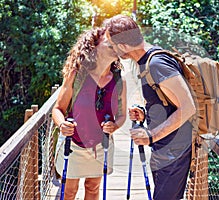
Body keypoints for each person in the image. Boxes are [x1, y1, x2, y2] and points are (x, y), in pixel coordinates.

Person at [105, 15, 196, 200]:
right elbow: (168, 102)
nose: (110, 49)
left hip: (174, 152)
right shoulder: (144, 63)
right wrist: (144, 112)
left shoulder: (157, 63)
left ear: (122, 46)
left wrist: (151, 135)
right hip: (163, 150)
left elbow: (188, 107)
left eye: (111, 45)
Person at [52, 26, 127, 200]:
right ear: (94, 47)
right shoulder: (76, 75)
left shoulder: (119, 80)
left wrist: (115, 125)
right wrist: (62, 124)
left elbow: (122, 115)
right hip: (74, 144)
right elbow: (58, 109)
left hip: (101, 145)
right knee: (69, 191)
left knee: (93, 188)